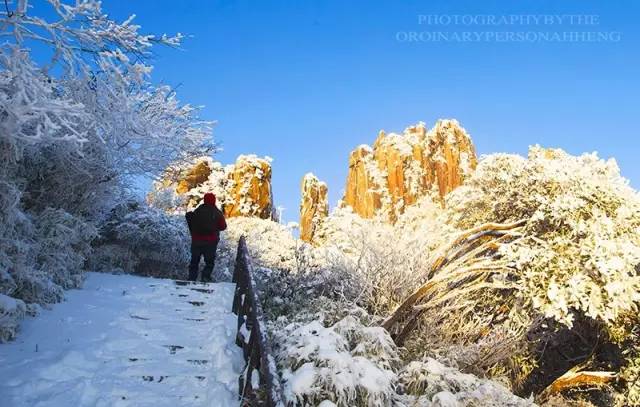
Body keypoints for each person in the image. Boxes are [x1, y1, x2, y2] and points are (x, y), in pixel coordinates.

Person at [185, 193, 227, 282]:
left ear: (204, 200)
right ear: (214, 200)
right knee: (209, 262)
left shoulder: (198, 210)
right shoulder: (217, 212)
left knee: (194, 261)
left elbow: (192, 222)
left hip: (197, 241)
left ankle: (191, 278)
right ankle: (205, 277)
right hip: (210, 242)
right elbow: (223, 227)